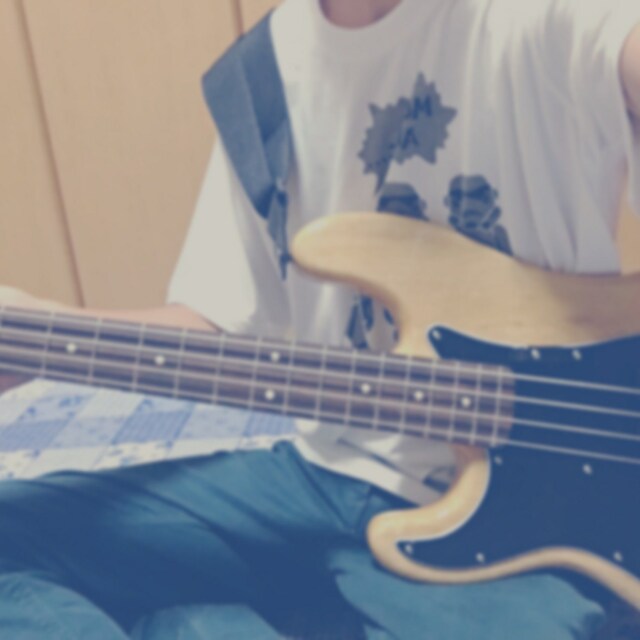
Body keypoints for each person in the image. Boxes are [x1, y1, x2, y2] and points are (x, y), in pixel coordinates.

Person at [1, 0, 639, 637]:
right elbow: (215, 317)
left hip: (535, 518)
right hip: (322, 473)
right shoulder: (261, 75)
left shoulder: (543, 16)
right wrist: (47, 333)